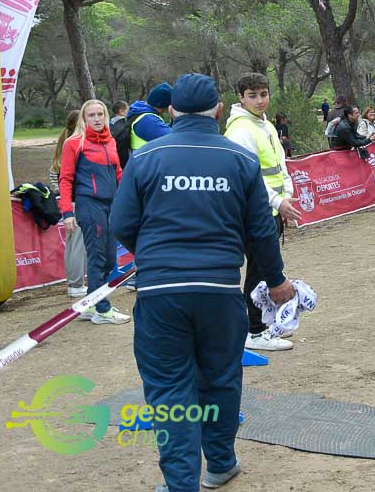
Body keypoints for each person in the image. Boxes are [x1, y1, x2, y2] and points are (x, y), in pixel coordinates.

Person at [109, 73, 295, 492]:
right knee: (221, 379)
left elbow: (121, 223)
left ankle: (180, 484)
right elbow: (261, 230)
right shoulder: (240, 160)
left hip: (160, 293)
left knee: (169, 386)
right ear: (219, 110)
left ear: (172, 110)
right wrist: (276, 279)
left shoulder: (146, 157)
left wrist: (152, 255)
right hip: (219, 290)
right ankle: (221, 463)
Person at [223, 72, 301, 353]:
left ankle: (261, 325)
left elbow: (280, 166)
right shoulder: (240, 131)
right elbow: (248, 178)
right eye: (252, 95)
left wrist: (285, 197)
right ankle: (254, 330)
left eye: (263, 94)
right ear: (241, 98)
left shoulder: (265, 125)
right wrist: (278, 202)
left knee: (265, 269)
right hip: (253, 214)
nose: (259, 100)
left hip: (271, 210)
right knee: (260, 271)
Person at [58, 99, 127, 324]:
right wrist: (67, 213)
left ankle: (89, 304)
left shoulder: (111, 141)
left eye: (100, 114)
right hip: (89, 205)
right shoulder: (74, 143)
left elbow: (118, 173)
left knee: (109, 259)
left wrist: (129, 199)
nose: (97, 119)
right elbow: (65, 179)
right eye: (91, 115)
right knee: (97, 258)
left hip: (112, 206)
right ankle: (102, 309)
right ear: (84, 118)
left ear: (106, 116)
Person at [49, 110, 86, 297]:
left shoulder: (63, 144)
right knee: (78, 245)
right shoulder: (75, 145)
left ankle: (74, 283)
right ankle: (76, 284)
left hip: (69, 202)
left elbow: (53, 174)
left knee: (73, 244)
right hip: (76, 201)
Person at [124, 82, 174, 154]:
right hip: (145, 160)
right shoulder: (148, 120)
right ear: (164, 105)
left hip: (141, 158)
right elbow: (174, 139)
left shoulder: (141, 111)